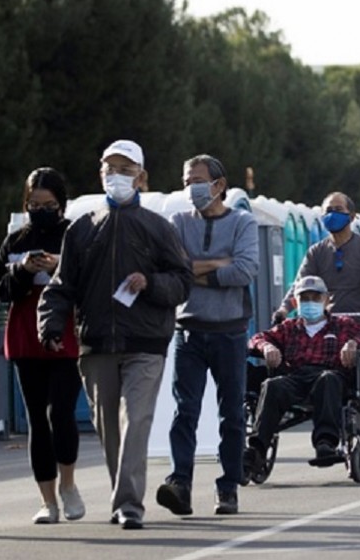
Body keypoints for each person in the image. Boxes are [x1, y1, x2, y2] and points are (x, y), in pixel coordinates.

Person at [38, 140, 193, 530]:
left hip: (146, 344)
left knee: (136, 420)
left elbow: (182, 281)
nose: (116, 176)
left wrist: (151, 283)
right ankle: (122, 497)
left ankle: (128, 505)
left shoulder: (159, 228)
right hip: (96, 345)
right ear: (100, 173)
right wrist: (51, 324)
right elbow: (61, 286)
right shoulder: (82, 228)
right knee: (110, 430)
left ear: (141, 177)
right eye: (110, 168)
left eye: (125, 169)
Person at [157, 154, 259, 517]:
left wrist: (194, 271)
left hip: (229, 331)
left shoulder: (243, 223)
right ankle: (179, 483)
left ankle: (228, 486)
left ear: (218, 185)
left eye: (197, 180)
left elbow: (245, 270)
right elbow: (170, 268)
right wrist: (219, 263)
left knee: (231, 412)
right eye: (187, 181)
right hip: (189, 330)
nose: (191, 188)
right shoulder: (177, 222)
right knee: (185, 411)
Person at [0, 168, 85, 525]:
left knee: (59, 413)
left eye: (48, 204)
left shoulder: (75, 233)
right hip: (25, 337)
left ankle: (69, 484)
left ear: (61, 203)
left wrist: (60, 266)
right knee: (36, 420)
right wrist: (24, 271)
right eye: (33, 203)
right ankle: (47, 500)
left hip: (65, 334)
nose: (40, 209)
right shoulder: (16, 240)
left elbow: (91, 278)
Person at [243, 275, 360, 473]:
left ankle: (325, 443)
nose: (310, 302)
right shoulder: (289, 328)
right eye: (304, 298)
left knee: (327, 380)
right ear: (296, 302)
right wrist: (266, 347)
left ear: (327, 300)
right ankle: (257, 449)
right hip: (296, 377)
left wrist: (354, 344)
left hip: (332, 376)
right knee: (272, 385)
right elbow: (256, 339)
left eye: (315, 298)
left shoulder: (342, 325)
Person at [272, 192, 360, 320]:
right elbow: (300, 283)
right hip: (330, 326)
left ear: (352, 216)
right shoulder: (316, 252)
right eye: (328, 211)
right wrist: (284, 309)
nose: (332, 214)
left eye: (338, 209)